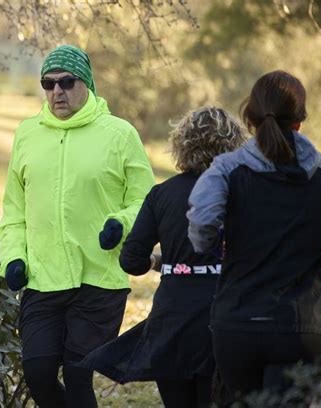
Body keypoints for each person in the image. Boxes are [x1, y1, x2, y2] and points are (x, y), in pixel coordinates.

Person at [187, 70, 321, 405]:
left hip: (236, 325)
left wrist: (220, 243)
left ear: (250, 118)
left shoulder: (226, 170)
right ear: (299, 122)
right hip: (301, 327)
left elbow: (200, 231)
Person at [0, 44, 155, 408]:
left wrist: (120, 223)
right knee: (37, 373)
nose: (57, 92)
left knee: (78, 372)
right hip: (43, 277)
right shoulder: (27, 134)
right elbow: (13, 210)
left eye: (67, 82)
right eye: (48, 84)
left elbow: (146, 201)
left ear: (87, 84)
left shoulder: (119, 134)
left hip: (99, 279)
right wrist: (13, 259)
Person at [79, 106, 246, 408]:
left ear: (182, 144)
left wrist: (159, 262)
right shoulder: (243, 192)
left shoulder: (162, 194)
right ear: (233, 146)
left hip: (172, 320)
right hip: (225, 315)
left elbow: (131, 260)